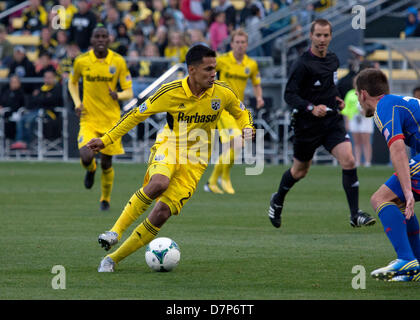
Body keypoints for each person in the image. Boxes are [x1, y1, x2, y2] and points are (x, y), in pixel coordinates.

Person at [85, 44, 254, 272]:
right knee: (159, 183)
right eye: (207, 69)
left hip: (198, 159)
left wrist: (247, 127)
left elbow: (241, 111)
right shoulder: (170, 91)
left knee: (162, 213)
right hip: (171, 144)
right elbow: (136, 115)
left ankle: (112, 259)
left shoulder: (222, 92)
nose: (213, 73)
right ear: (191, 70)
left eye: (214, 68)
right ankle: (115, 231)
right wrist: (106, 140)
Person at [268, 19, 375, 229]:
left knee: (349, 160)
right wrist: (310, 107)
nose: (322, 39)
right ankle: (278, 199)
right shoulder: (301, 64)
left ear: (331, 36)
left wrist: (337, 99)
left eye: (326, 35)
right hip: (306, 125)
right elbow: (289, 95)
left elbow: (329, 87)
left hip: (331, 121)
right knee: (299, 171)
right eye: (318, 35)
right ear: (311, 36)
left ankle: (355, 214)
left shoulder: (333, 59)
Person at [355, 68, 420, 281]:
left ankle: (406, 258)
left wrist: (408, 190)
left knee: (380, 198)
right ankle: (415, 265)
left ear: (363, 94)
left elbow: (398, 148)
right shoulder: (395, 102)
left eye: (357, 95)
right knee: (397, 202)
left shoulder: (384, 106)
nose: (358, 100)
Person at [68, 25, 133, 211]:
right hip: (89, 118)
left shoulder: (118, 61)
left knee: (107, 162)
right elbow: (72, 82)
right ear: (92, 40)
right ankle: (90, 169)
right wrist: (77, 102)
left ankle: (105, 199)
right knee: (86, 155)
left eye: (104, 36)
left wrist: (118, 96)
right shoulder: (81, 61)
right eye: (97, 36)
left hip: (111, 120)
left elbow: (128, 90)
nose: (101, 39)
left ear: (109, 39)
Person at [205, 28, 264, 195]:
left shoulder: (251, 64)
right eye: (237, 42)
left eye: (242, 42)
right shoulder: (222, 60)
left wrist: (259, 97)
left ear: (247, 44)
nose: (239, 45)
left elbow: (256, 83)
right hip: (222, 108)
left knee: (238, 145)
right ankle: (219, 180)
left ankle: (215, 181)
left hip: (239, 110)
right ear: (231, 44)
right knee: (237, 142)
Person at [10, 70, 63, 150]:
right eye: (46, 77)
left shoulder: (57, 88)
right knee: (22, 118)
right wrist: (43, 98)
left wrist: (41, 98)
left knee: (29, 119)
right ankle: (19, 141)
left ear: (54, 78)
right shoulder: (41, 88)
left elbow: (52, 101)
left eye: (49, 77)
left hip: (50, 113)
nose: (47, 79)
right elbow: (34, 100)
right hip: (37, 111)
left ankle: (26, 142)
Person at [341, 78, 373, 167]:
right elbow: (346, 109)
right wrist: (347, 121)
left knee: (366, 141)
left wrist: (366, 111)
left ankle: (367, 161)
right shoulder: (350, 94)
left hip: (365, 119)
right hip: (354, 118)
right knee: (356, 141)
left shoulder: (367, 93)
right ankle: (357, 160)